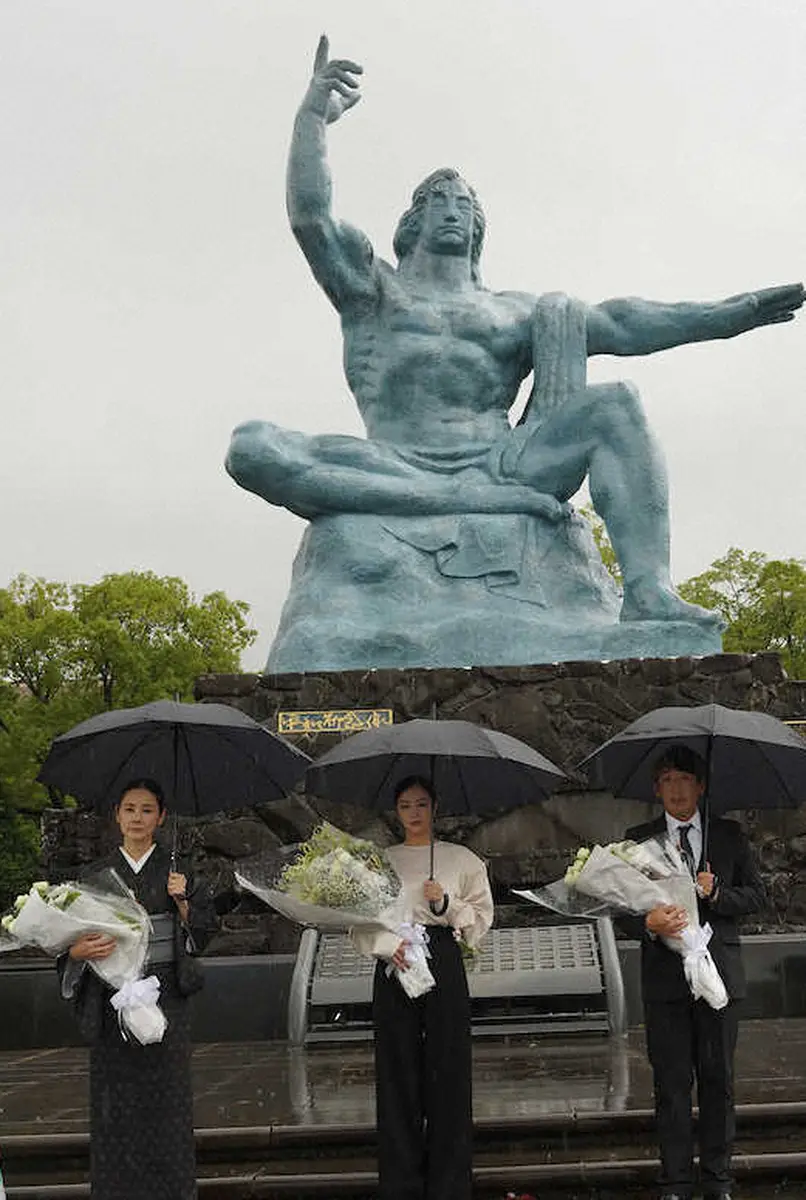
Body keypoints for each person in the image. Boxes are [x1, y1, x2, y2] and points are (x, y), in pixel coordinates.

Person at [226, 34, 804, 627]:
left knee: (617, 404)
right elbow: (311, 218)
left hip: (503, 463)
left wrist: (726, 316)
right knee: (250, 447)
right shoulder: (374, 290)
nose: (453, 209)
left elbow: (622, 323)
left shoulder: (514, 312)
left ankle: (649, 591)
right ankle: (458, 501)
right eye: (438, 201)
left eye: (464, 204)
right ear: (412, 221)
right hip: (393, 461)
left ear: (479, 228)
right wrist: (312, 120)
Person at [59, 778, 216, 1200]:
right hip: (111, 996)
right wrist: (76, 952)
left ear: (161, 818)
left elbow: (204, 935)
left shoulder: (177, 873)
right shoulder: (96, 875)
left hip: (164, 999)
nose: (137, 818)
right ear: (117, 815)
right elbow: (69, 940)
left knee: (167, 1105)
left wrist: (184, 904)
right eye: (129, 809)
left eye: (147, 810)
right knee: (115, 1107)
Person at [622, 747, 765, 1200]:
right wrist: (649, 923)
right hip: (665, 982)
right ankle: (676, 1181)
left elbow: (756, 896)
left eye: (684, 779)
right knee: (671, 1083)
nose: (676, 789)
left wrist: (717, 892)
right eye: (667, 780)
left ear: (700, 786)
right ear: (656, 789)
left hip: (719, 977)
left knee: (718, 1080)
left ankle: (718, 1179)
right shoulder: (637, 841)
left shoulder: (728, 835)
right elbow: (621, 908)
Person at [352, 776, 494, 1200]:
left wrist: (445, 904)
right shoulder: (380, 862)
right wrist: (386, 945)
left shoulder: (462, 859)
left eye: (421, 804)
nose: (414, 813)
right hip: (395, 962)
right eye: (405, 805)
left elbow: (482, 920)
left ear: (435, 807)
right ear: (396, 811)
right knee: (397, 1070)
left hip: (442, 960)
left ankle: (450, 1183)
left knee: (448, 1068)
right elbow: (357, 923)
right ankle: (402, 1183)